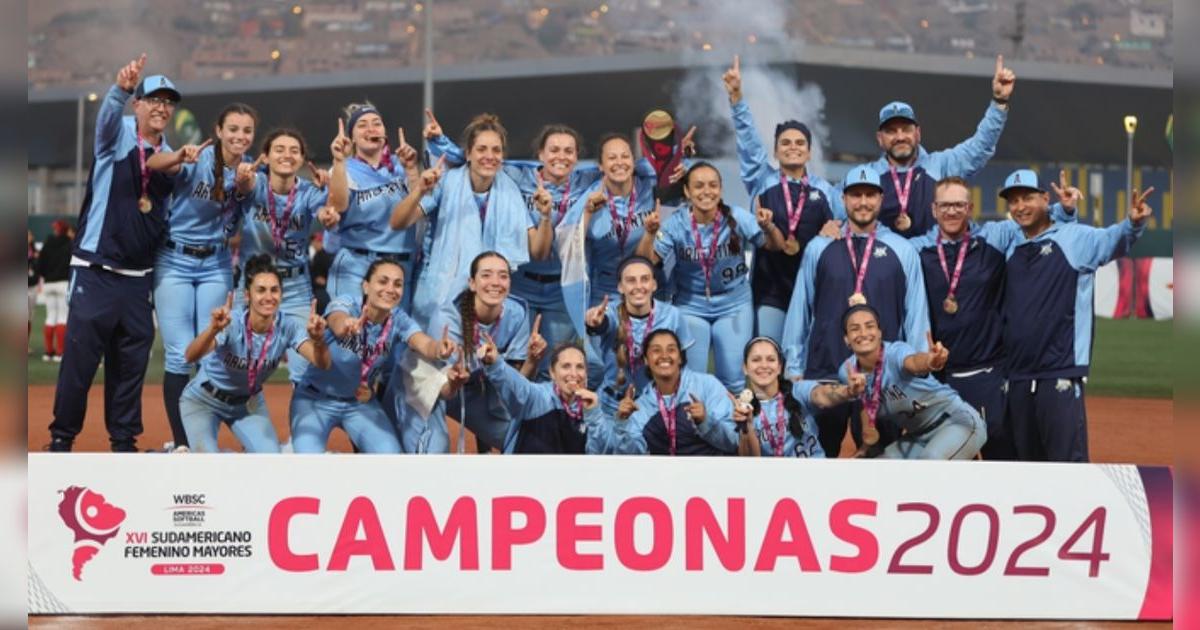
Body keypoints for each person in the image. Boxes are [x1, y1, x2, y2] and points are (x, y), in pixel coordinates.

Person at [49, 55, 181, 452]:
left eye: (168, 102)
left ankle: (123, 442)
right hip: (96, 269)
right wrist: (119, 90)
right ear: (137, 104)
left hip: (138, 279)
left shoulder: (173, 156)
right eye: (152, 99)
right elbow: (106, 120)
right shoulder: (118, 134)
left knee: (130, 367)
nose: (161, 107)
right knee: (79, 363)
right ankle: (62, 438)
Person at [907, 174, 1080, 460]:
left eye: (959, 205)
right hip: (938, 376)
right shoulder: (915, 250)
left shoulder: (995, 237)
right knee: (941, 458)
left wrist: (1066, 210)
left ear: (970, 208)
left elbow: (1034, 220)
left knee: (1000, 453)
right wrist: (835, 228)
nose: (952, 211)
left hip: (988, 374)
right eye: (945, 205)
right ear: (934, 210)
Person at [1000, 169, 1153, 462]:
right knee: (1023, 470)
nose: (1020, 206)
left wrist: (1133, 224)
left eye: (1028, 198)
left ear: (1045, 199)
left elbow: (1113, 240)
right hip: (1017, 377)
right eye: (1014, 201)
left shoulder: (1075, 238)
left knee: (1069, 468)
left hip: (1059, 374)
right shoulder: (1011, 245)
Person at [781, 166, 929, 457]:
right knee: (817, 458)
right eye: (855, 195)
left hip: (882, 378)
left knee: (880, 459)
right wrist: (794, 369)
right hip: (825, 372)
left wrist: (916, 375)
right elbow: (800, 309)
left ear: (881, 199)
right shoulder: (819, 247)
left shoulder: (903, 250)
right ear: (844, 199)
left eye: (870, 195)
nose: (863, 202)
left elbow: (916, 314)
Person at [146, 102, 259, 450]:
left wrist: (246, 186)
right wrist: (179, 155)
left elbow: (251, 200)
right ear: (219, 131)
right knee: (180, 354)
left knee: (211, 354)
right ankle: (182, 444)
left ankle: (202, 440)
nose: (240, 136)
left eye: (247, 130)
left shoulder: (251, 169)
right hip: (175, 259)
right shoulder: (199, 158)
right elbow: (152, 163)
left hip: (216, 262)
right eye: (233, 129)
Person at [721, 54, 843, 342]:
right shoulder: (763, 181)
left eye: (800, 143)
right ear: (775, 151)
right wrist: (737, 99)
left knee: (804, 360)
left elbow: (849, 225)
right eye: (785, 143)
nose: (793, 147)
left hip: (813, 290)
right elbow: (749, 142)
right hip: (770, 291)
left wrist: (839, 229)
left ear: (809, 152)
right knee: (769, 356)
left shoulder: (826, 192)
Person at [390, 113, 554, 326]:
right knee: (435, 346)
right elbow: (398, 222)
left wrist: (545, 216)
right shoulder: (446, 183)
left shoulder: (511, 191)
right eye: (481, 149)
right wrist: (420, 190)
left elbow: (539, 252)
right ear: (468, 154)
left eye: (496, 150)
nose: (490, 156)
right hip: (438, 289)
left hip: (487, 293)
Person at [636, 161, 783, 392]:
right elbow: (646, 262)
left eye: (713, 185)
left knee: (733, 380)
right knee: (691, 380)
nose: (707, 191)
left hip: (734, 304)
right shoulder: (676, 223)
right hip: (691, 304)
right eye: (699, 186)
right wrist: (649, 234)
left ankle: (730, 416)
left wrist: (769, 227)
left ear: (721, 189)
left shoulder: (737, 216)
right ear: (687, 191)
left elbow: (776, 246)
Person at [291, 259, 455, 454]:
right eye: (383, 281)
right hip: (314, 399)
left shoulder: (398, 319)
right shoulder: (348, 302)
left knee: (390, 457)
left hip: (358, 403)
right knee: (308, 460)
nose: (390, 289)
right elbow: (337, 320)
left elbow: (424, 344)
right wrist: (346, 324)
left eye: (398, 284)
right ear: (366, 286)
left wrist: (439, 348)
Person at [179, 254, 331, 453]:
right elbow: (190, 356)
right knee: (207, 461)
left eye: (274, 290)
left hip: (248, 405)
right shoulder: (232, 322)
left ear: (281, 294)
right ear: (247, 295)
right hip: (204, 400)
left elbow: (323, 363)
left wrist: (319, 340)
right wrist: (213, 330)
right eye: (261, 290)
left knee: (269, 459)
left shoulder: (287, 326)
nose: (268, 297)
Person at [235, 126, 348, 383]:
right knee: (240, 364)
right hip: (253, 285)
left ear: (302, 159)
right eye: (279, 149)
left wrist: (328, 216)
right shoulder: (257, 183)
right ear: (266, 157)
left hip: (294, 287)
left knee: (303, 371)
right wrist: (242, 176)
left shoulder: (309, 191)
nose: (287, 155)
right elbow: (244, 185)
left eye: (294, 151)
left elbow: (325, 212)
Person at [805, 304, 986, 460]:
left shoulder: (896, 353)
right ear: (846, 340)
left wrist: (931, 361)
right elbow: (865, 404)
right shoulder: (847, 371)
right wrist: (867, 445)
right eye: (855, 329)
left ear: (879, 333)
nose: (863, 333)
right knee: (880, 471)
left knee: (929, 464)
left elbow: (914, 363)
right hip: (918, 437)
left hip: (956, 421)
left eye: (870, 326)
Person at [867, 55, 1016, 237]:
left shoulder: (941, 165)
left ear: (918, 133)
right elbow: (837, 204)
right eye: (891, 131)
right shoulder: (867, 177)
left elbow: (980, 146)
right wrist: (834, 224)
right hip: (883, 256)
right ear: (880, 138)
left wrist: (999, 103)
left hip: (935, 255)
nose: (900, 137)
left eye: (906, 129)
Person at [411, 251, 541, 454]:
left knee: (527, 443)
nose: (495, 282)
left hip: (475, 391)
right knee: (435, 450)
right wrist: (469, 375)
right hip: (433, 388)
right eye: (486, 275)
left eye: (503, 276)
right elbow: (442, 386)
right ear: (472, 283)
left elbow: (514, 385)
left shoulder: (518, 313)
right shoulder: (447, 318)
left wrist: (532, 361)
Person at [323, 101, 423, 311]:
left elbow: (420, 208)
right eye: (362, 125)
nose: (371, 129)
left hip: (400, 267)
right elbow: (338, 206)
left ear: (384, 132)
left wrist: (412, 170)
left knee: (394, 331)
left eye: (376, 123)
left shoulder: (401, 165)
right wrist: (339, 161)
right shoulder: (343, 169)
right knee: (351, 329)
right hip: (358, 266)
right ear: (352, 137)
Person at [585, 255, 694, 416]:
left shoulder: (672, 315)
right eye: (631, 280)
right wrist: (594, 323)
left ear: (654, 285)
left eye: (645, 279)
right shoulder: (611, 312)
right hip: (612, 405)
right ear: (620, 287)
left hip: (655, 407)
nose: (638, 286)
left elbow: (682, 365)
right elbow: (602, 324)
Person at [611, 329, 738, 455]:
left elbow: (733, 441)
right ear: (646, 360)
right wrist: (622, 423)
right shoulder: (640, 407)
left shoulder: (708, 385)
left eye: (671, 350)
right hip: (661, 469)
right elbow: (632, 457)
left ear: (680, 358)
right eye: (656, 350)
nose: (664, 356)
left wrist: (705, 421)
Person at [573, 133, 660, 304]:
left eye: (625, 156)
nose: (620, 162)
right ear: (601, 166)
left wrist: (681, 154)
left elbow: (677, 174)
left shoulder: (649, 188)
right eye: (612, 158)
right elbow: (571, 249)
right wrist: (588, 213)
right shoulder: (590, 198)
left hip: (642, 287)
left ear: (633, 161)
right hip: (603, 290)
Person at [477, 342, 610, 454]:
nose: (574, 374)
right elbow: (517, 387)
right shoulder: (539, 397)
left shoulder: (591, 407)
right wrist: (495, 364)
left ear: (586, 374)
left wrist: (594, 415)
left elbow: (597, 455)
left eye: (580, 367)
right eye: (566, 366)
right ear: (552, 372)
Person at [733, 337, 824, 458]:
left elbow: (824, 395)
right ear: (745, 368)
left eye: (771, 359)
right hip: (770, 471)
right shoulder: (741, 409)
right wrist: (747, 426)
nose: (764, 365)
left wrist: (846, 391)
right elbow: (748, 463)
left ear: (780, 367)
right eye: (756, 360)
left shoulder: (798, 391)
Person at [36, 220, 73, 362]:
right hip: (63, 283)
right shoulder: (70, 244)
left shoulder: (48, 242)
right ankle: (60, 353)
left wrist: (46, 276)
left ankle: (48, 352)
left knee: (50, 316)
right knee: (62, 317)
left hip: (49, 283)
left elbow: (40, 265)